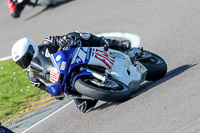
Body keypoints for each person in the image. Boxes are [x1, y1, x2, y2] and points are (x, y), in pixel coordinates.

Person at [11, 31, 131, 113]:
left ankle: (116, 44)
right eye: (21, 62)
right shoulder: (33, 77)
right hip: (66, 80)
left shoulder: (47, 43)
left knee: (82, 35)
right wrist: (54, 92)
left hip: (75, 58)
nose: (24, 63)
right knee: (84, 107)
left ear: (31, 49)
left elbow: (62, 39)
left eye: (25, 58)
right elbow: (46, 87)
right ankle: (102, 86)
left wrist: (67, 39)